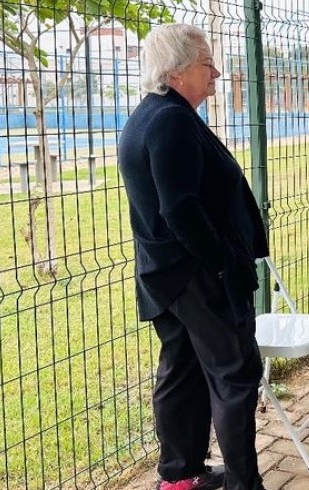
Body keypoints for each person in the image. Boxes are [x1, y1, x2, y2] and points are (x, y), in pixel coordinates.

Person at [119, 24, 267, 490]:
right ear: (177, 71)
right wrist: (222, 262)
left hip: (167, 275)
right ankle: (244, 484)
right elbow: (179, 209)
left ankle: (181, 476)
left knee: (182, 371)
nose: (216, 73)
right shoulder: (171, 121)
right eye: (207, 64)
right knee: (235, 376)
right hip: (196, 276)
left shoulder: (152, 114)